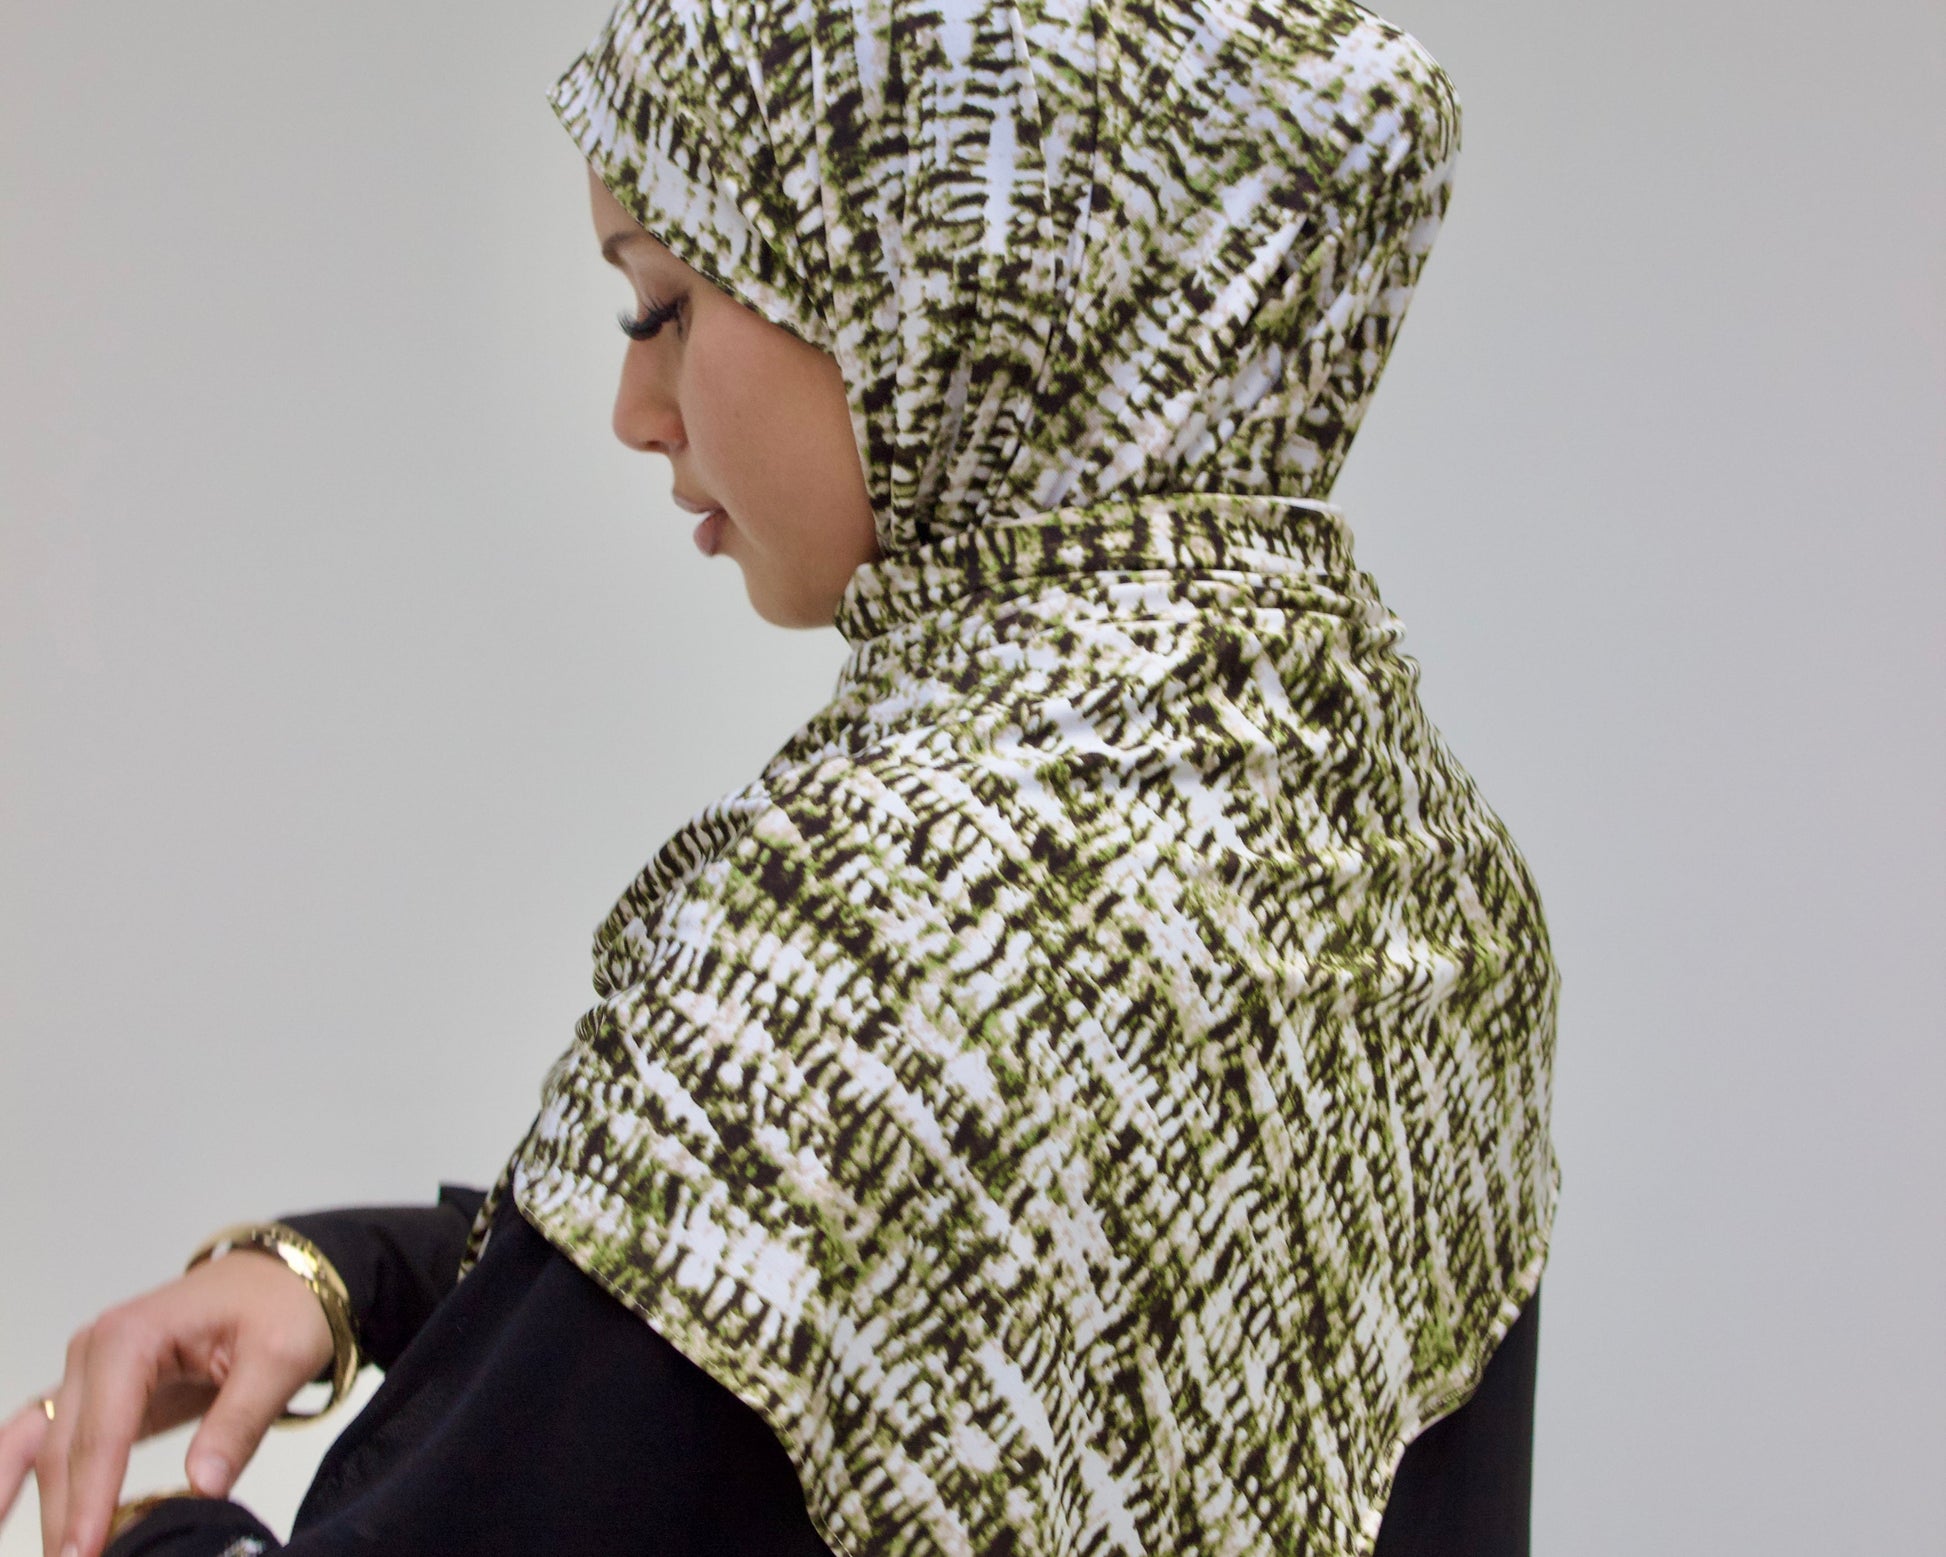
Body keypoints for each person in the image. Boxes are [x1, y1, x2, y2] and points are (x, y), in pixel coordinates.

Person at [2, 1, 1563, 1553]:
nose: (635, 411)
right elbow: (907, 1310)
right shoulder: (1414, 851)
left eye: (661, 305)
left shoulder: (890, 927)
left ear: (941, 287)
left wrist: (145, 1537)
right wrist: (357, 1271)